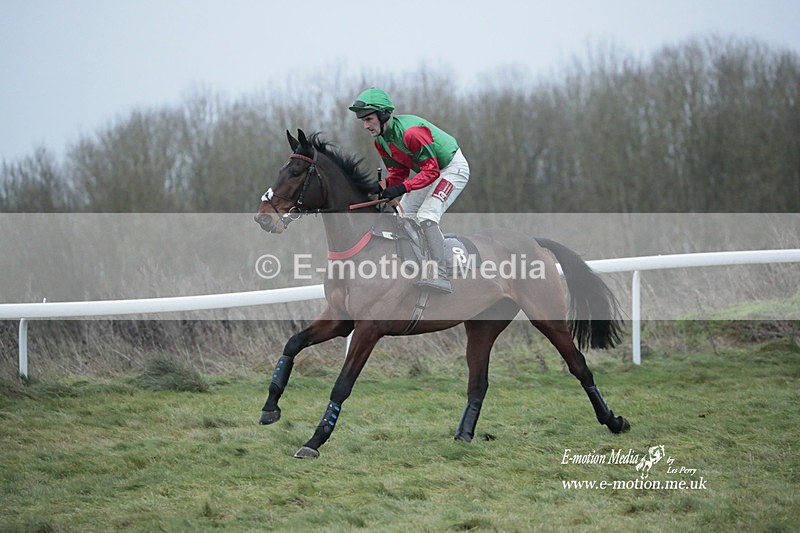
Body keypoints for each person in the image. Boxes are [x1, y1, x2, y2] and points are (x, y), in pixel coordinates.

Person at [348, 88, 470, 294]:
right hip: (430, 171)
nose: (366, 126)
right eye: (363, 121)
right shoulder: (381, 141)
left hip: (451, 169)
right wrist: (379, 187)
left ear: (383, 114)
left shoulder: (411, 133)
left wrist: (401, 187)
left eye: (369, 119)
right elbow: (399, 172)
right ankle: (420, 263)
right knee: (403, 213)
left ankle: (441, 275)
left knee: (426, 216)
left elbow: (431, 172)